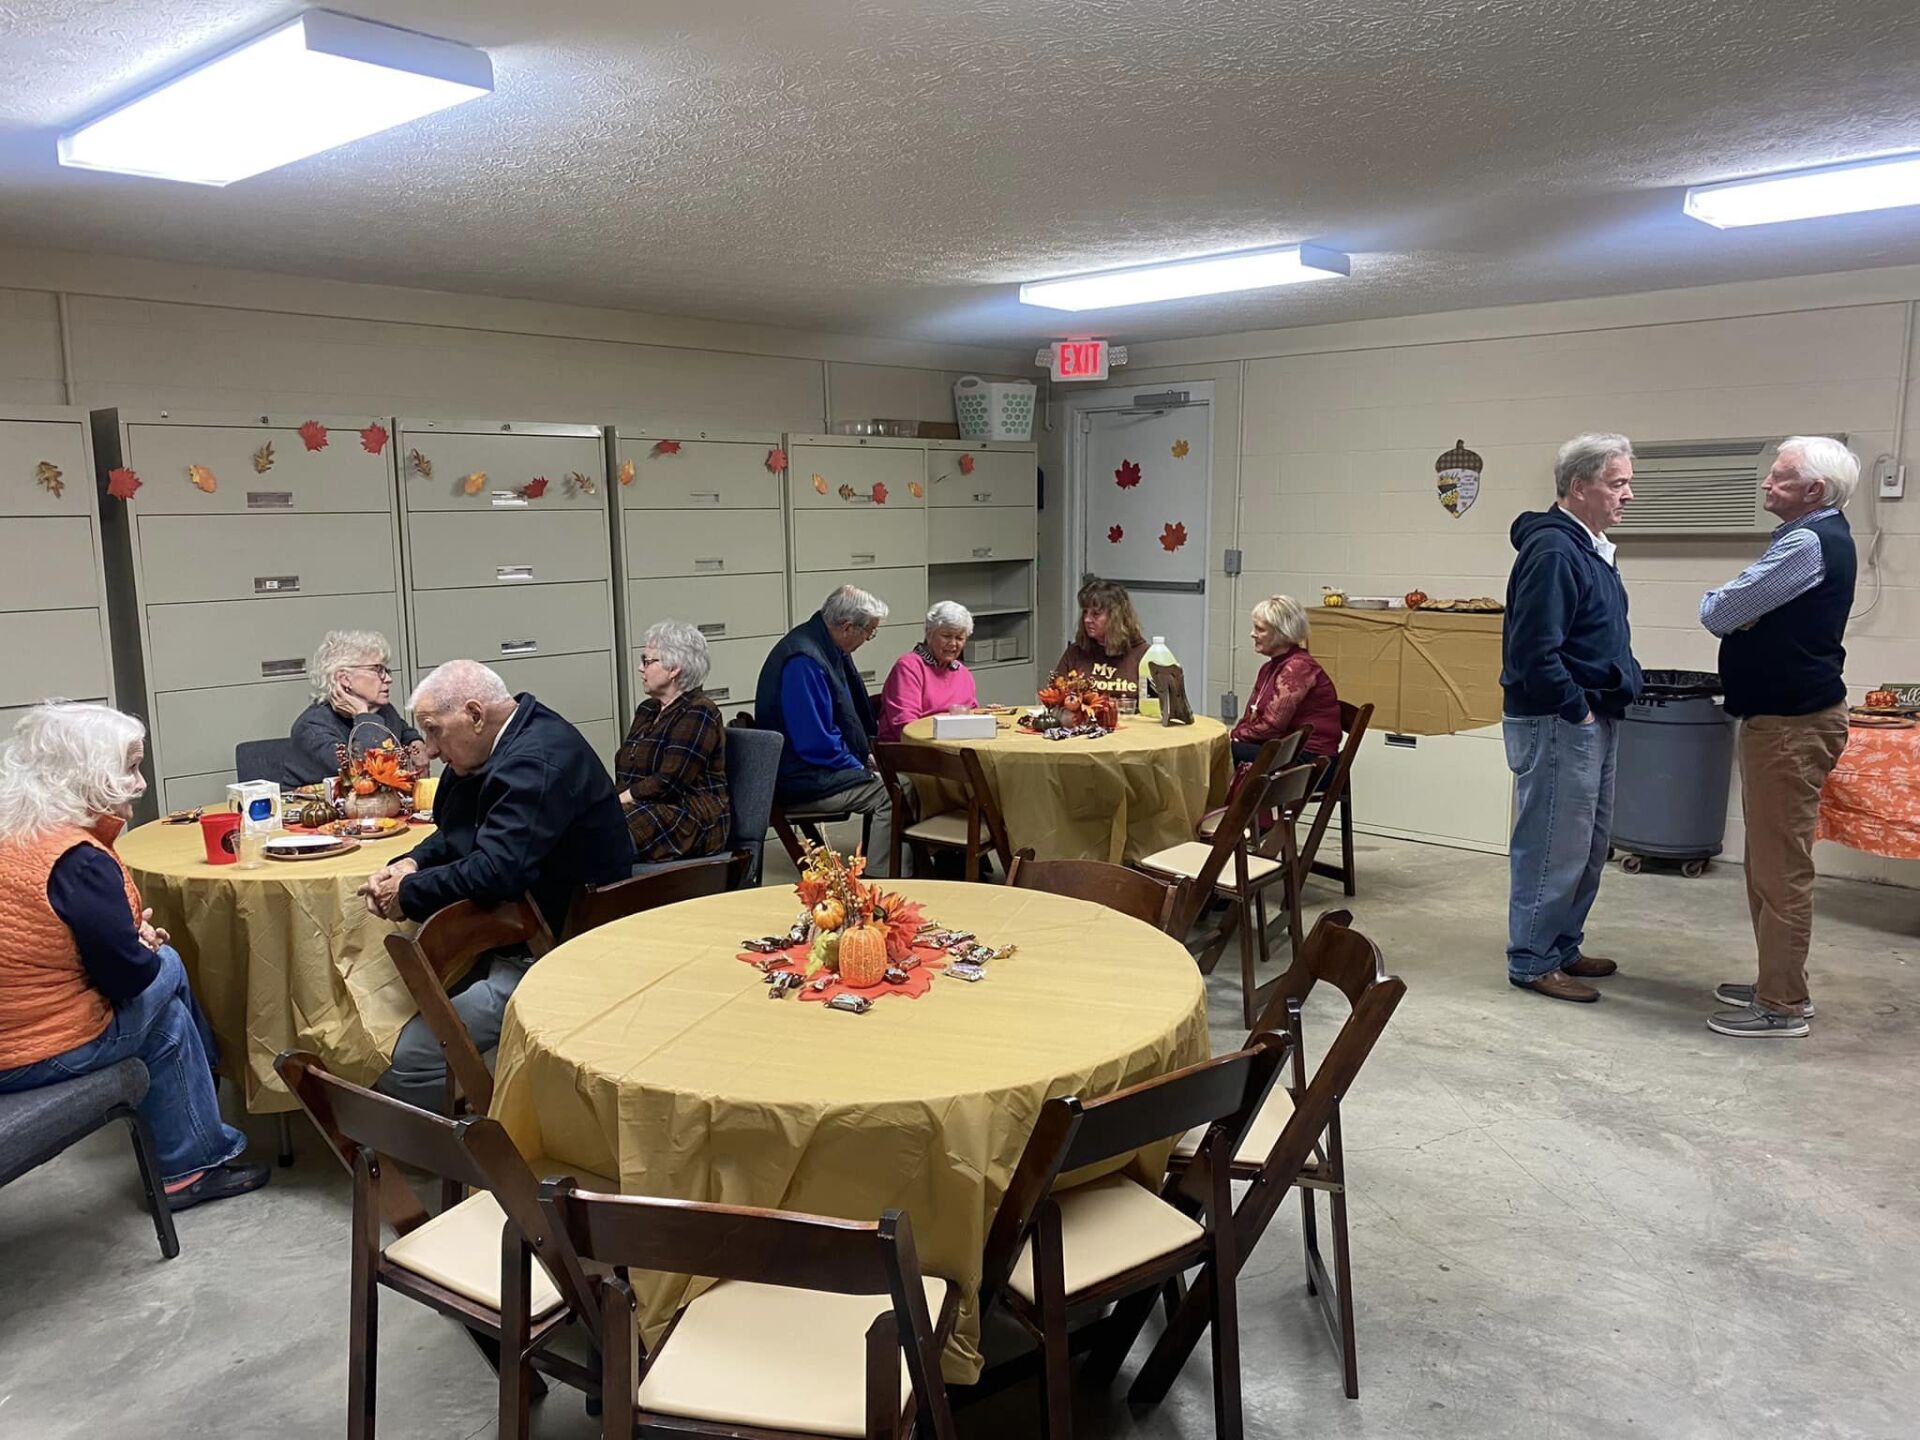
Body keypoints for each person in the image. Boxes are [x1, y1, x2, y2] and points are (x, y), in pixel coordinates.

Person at [0, 703, 268, 1210]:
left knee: (168, 1022)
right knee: (168, 971)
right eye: (130, 768)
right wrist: (139, 947)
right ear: (87, 773)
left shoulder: (18, 832)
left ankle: (194, 1145)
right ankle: (208, 1094)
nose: (142, 784)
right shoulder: (79, 861)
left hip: (13, 1035)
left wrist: (126, 939)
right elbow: (125, 980)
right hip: (34, 1049)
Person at [359, 661, 633, 1111]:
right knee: (378, 1009)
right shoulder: (495, 747)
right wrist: (410, 863)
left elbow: (496, 871)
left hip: (556, 948)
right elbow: (458, 833)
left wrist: (408, 893)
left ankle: (481, 1132)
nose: (430, 750)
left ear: (474, 714)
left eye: (434, 731)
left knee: (400, 1055)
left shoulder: (533, 761)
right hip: (509, 932)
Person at [1698, 437, 1860, 1039]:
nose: (1766, 484)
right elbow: (1736, 611)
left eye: (1780, 476)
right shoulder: (1814, 537)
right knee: (1768, 863)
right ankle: (1779, 981)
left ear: (1813, 490)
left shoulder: (1806, 543)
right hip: (1785, 720)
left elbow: (1717, 611)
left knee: (1780, 867)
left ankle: (1782, 1005)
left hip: (1792, 725)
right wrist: (1745, 610)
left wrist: (1738, 609)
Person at [1499, 433, 1643, 1004]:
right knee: (1553, 845)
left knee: (1586, 844)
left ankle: (1561, 946)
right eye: (1617, 483)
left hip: (1591, 717)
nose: (1628, 495)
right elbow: (1534, 651)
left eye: (1628, 483)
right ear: (1579, 487)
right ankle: (1532, 959)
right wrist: (1577, 709)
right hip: (1560, 720)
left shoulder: (1591, 548)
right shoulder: (1555, 551)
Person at [753, 584, 895, 876]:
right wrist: (858, 765)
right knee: (891, 792)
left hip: (807, 767)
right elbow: (815, 743)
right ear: (847, 627)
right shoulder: (804, 662)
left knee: (897, 778)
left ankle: (897, 866)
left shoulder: (822, 646)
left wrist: (865, 755)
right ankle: (883, 879)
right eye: (869, 632)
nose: (868, 639)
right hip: (800, 776)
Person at [616, 621, 730, 863]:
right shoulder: (647, 709)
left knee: (606, 830)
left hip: (689, 816)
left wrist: (619, 800)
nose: (640, 668)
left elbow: (670, 781)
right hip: (648, 806)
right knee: (582, 819)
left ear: (674, 669)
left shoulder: (700, 711)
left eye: (647, 661)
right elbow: (627, 771)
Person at [284, 630, 426, 786]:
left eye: (386, 671)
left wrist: (416, 744)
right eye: (378, 670)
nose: (388, 679)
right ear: (344, 679)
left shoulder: (382, 709)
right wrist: (362, 715)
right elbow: (365, 775)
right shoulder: (311, 728)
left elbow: (402, 731)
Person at [1230, 594, 1341, 768]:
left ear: (1282, 633)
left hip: (1310, 757)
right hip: (1284, 748)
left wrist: (1233, 736)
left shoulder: (1298, 667)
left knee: (1221, 751)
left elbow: (1271, 726)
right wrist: (1236, 734)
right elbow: (1251, 718)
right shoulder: (1269, 668)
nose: (1252, 634)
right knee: (1222, 749)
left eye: (1260, 629)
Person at [878, 601, 980, 743]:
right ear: (929, 634)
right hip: (913, 748)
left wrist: (987, 715)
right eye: (946, 636)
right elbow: (905, 725)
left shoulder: (962, 672)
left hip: (953, 745)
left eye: (959, 638)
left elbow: (972, 714)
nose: (953, 644)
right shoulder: (908, 667)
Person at [1054, 577, 1150, 712]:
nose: (1087, 620)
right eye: (1085, 612)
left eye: (1096, 614)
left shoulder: (1143, 654)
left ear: (1115, 617)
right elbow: (1055, 699)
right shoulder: (1075, 652)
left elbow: (1157, 708)